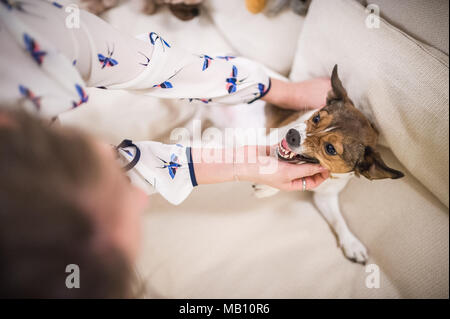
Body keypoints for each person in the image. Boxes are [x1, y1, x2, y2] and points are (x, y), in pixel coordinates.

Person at [0, 1, 330, 297]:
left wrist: (285, 91)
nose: (142, 199)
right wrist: (240, 164)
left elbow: (157, 68)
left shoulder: (25, 43)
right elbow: (128, 170)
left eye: (118, 191)